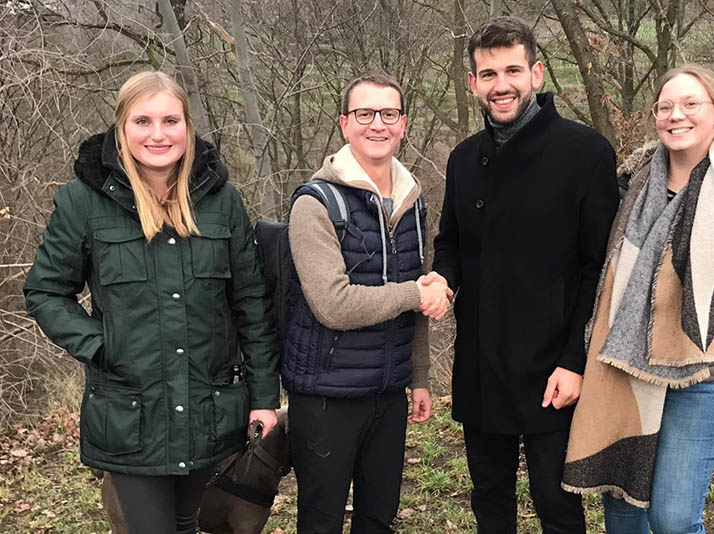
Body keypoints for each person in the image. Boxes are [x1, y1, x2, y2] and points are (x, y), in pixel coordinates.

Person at [24, 71, 280, 534]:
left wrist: (264, 398)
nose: (158, 134)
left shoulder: (222, 203)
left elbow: (252, 305)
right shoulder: (83, 202)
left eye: (170, 120)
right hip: (130, 411)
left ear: (188, 126)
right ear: (121, 127)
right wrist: (101, 345)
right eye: (142, 121)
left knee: (185, 523)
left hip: (209, 407)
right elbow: (45, 291)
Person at [562, 64, 714, 534]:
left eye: (691, 104)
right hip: (624, 369)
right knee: (623, 507)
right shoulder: (631, 185)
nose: (676, 115)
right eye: (665, 106)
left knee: (672, 516)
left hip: (703, 380)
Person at [425, 16, 619, 534]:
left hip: (551, 367)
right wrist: (442, 279)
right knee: (489, 497)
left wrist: (574, 361)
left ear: (536, 73)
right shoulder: (464, 159)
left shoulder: (586, 153)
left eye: (512, 70)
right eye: (487, 74)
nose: (501, 84)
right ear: (473, 83)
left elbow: (597, 268)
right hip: (481, 362)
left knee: (556, 503)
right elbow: (452, 244)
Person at [284, 71, 450, 534]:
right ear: (344, 123)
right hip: (325, 394)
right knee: (321, 519)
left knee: (379, 517)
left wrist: (418, 377)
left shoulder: (411, 200)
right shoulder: (315, 203)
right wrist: (416, 293)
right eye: (364, 113)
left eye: (389, 113)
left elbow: (413, 297)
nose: (377, 124)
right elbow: (333, 304)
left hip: (387, 391)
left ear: (403, 123)